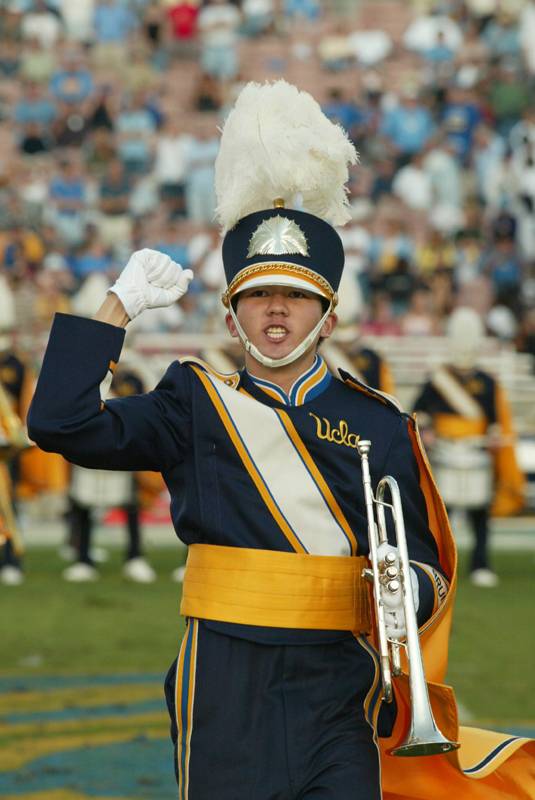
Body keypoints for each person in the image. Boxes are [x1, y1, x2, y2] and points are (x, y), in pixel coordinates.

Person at [28, 81, 534, 799]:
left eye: (296, 296)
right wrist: (117, 307)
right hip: (223, 679)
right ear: (232, 315)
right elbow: (58, 422)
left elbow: (425, 565)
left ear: (326, 316)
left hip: (340, 683)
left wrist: (405, 594)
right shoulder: (192, 402)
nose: (274, 309)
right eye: (256, 295)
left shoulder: (379, 421)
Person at [412, 307, 525, 588]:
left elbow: (496, 420)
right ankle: (438, 564)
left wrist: (495, 435)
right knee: (441, 515)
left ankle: (480, 563)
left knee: (480, 515)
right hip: (446, 452)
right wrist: (427, 431)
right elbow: (417, 413)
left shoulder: (487, 382)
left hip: (476, 452)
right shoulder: (437, 380)